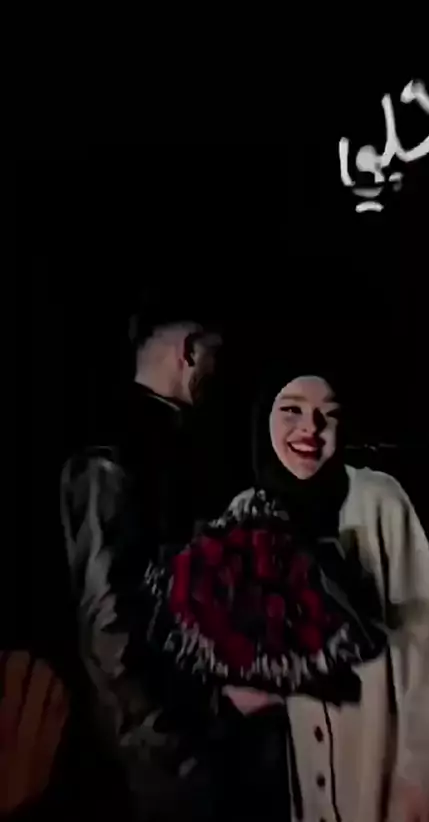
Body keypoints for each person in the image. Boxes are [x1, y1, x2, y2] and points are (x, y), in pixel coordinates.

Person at [191, 362, 429, 822]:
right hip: (295, 769)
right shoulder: (244, 514)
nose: (310, 428)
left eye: (327, 415)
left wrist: (426, 773)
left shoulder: (377, 500)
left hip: (380, 758)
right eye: (291, 410)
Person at [60, 314, 222, 821]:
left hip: (182, 735)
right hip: (154, 756)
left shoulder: (170, 444)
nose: (217, 371)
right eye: (215, 355)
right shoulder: (116, 455)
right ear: (190, 352)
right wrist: (164, 742)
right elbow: (107, 619)